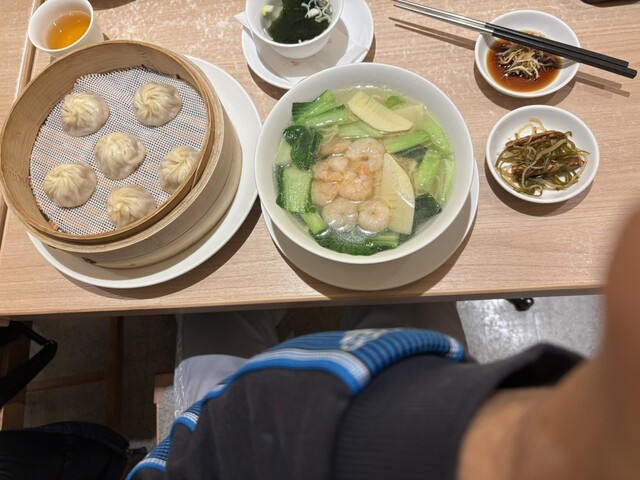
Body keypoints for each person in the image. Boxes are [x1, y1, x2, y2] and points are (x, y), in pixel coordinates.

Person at [128, 207, 640, 480]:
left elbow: (212, 440)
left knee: (217, 307)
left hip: (219, 442)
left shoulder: (249, 422)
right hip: (431, 390)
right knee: (414, 296)